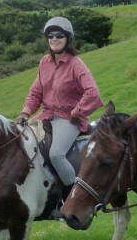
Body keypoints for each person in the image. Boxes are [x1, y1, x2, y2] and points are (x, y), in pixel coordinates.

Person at [16, 17, 103, 218]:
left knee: (56, 154)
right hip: (46, 115)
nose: (54, 39)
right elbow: (36, 91)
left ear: (68, 38)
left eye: (59, 36)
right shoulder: (44, 62)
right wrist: (26, 112)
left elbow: (93, 93)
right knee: (21, 141)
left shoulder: (76, 64)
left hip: (68, 119)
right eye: (50, 36)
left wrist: (76, 112)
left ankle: (72, 199)